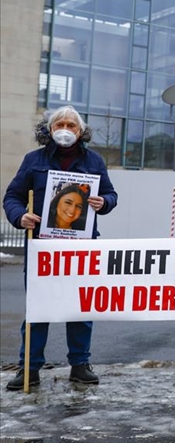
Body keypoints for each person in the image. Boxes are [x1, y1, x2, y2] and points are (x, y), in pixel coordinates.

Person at [3, 105, 118, 391]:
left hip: (81, 249)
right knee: (38, 308)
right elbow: (13, 197)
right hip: (43, 248)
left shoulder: (94, 162)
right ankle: (29, 368)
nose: (65, 129)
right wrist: (20, 216)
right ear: (49, 129)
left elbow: (110, 194)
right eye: (59, 124)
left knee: (79, 306)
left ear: (81, 131)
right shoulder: (34, 160)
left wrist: (104, 203)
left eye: (71, 125)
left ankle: (80, 365)